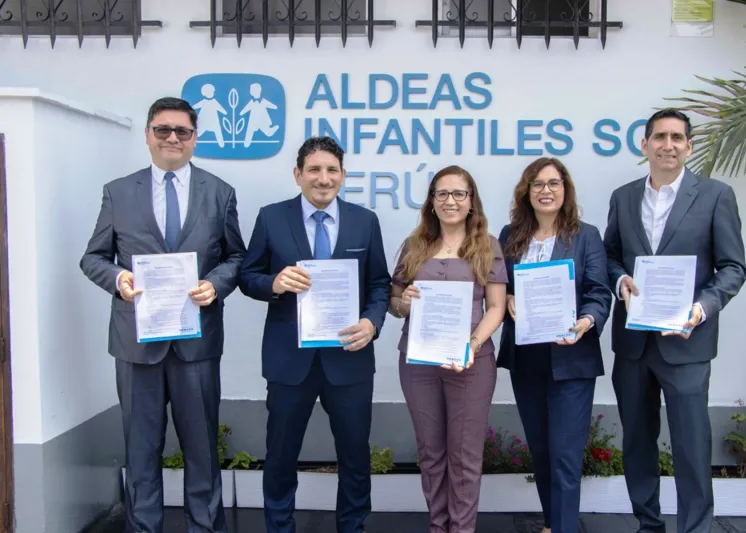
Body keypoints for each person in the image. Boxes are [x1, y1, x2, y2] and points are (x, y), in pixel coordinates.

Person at [79, 96, 246, 533]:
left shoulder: (220, 191)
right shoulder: (118, 192)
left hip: (197, 340)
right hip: (137, 343)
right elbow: (93, 258)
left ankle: (205, 528)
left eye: (183, 131)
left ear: (195, 138)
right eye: (163, 130)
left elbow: (236, 257)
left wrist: (217, 283)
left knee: (202, 449)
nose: (173, 138)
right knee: (140, 449)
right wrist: (119, 280)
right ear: (148, 134)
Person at [603, 108, 746, 533]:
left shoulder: (716, 195)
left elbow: (733, 268)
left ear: (689, 145)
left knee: (690, 447)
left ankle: (695, 528)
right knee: (637, 444)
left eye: (677, 138)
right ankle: (649, 525)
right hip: (633, 345)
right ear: (644, 144)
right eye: (660, 137)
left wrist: (701, 308)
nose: (668, 145)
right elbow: (611, 256)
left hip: (686, 343)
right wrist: (620, 281)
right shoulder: (623, 196)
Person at [238, 136, 391, 533]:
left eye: (332, 170)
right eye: (314, 170)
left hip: (349, 358)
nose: (323, 179)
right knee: (281, 456)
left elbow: (379, 284)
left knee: (355, 456)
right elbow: (248, 276)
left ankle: (353, 527)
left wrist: (372, 323)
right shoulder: (272, 217)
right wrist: (274, 282)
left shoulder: (365, 220)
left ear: (343, 175)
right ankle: (279, 527)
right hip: (290, 361)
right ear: (298, 174)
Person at [388, 165, 507, 533]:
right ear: (431, 201)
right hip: (418, 362)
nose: (450, 201)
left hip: (471, 362)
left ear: (471, 201)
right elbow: (394, 301)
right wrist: (404, 303)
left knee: (465, 456)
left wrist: (471, 345)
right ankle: (438, 526)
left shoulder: (487, 245)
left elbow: (497, 308)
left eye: (459, 193)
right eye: (442, 193)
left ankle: (462, 528)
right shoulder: (414, 244)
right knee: (431, 453)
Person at [496, 157, 612, 533]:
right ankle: (552, 523)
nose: (546, 191)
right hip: (526, 359)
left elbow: (599, 291)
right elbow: (500, 287)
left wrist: (588, 320)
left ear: (566, 190)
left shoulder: (586, 235)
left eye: (554, 183)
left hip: (571, 358)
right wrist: (508, 297)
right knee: (542, 453)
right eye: (537, 184)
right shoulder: (508, 235)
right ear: (526, 193)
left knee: (564, 455)